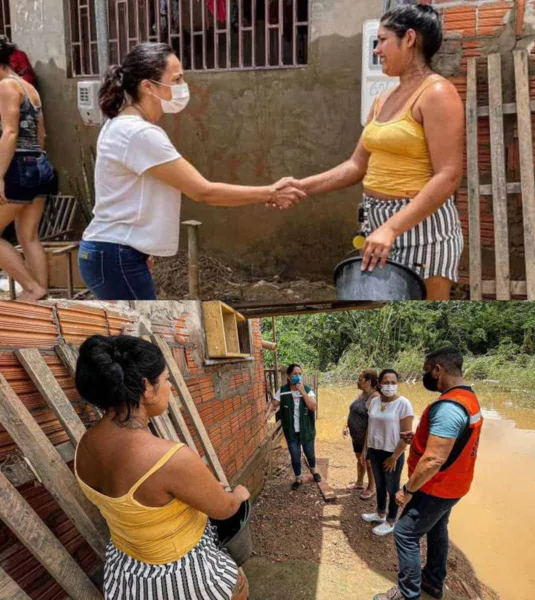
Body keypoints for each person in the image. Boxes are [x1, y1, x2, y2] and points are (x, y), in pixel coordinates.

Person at [78, 42, 304, 300]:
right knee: (142, 335)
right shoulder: (139, 134)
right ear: (148, 86)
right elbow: (203, 191)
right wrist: (269, 193)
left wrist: (143, 248)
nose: (183, 87)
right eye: (176, 79)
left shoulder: (120, 125)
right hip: (116, 255)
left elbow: (130, 196)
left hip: (113, 253)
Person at [291, 4, 464, 300]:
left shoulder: (437, 93)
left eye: (382, 40)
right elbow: (356, 165)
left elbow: (448, 176)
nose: (376, 50)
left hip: (424, 229)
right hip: (377, 224)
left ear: (409, 39)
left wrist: (392, 228)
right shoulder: (383, 99)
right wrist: (300, 187)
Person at [74, 334, 250, 600]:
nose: (171, 387)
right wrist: (239, 494)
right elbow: (225, 509)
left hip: (130, 577)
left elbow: (146, 507)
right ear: (146, 387)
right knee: (239, 586)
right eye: (167, 379)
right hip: (185, 580)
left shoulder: (85, 446)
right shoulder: (169, 459)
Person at [374, 347, 483, 600]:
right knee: (437, 529)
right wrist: (420, 437)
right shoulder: (468, 397)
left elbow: (434, 459)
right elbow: (455, 440)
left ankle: (407, 594)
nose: (426, 377)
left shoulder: (449, 407)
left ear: (438, 369)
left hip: (436, 486)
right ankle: (433, 581)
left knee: (405, 533)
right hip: (456, 484)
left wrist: (407, 489)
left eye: (426, 371)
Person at [0, 37, 55, 301]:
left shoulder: (6, 86)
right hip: (40, 164)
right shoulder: (28, 87)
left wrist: (0, 175)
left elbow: (9, 132)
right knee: (28, 235)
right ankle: (39, 293)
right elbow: (42, 133)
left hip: (19, 167)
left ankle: (31, 288)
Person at [361, 369, 414, 536]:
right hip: (375, 451)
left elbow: (406, 436)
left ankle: (391, 521)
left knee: (392, 487)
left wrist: (394, 457)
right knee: (380, 484)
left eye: (393, 382)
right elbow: (370, 426)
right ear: (379, 384)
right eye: (386, 382)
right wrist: (365, 450)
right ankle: (380, 513)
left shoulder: (404, 404)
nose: (390, 386)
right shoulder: (375, 401)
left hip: (392, 453)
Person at [271, 363, 321, 490]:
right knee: (295, 455)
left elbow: (313, 406)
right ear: (288, 376)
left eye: (300, 374)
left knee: (309, 452)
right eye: (295, 374)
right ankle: (298, 478)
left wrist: (302, 391)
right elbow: (274, 404)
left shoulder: (308, 389)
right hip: (291, 431)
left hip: (306, 430)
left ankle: (314, 471)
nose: (298, 376)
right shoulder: (283, 391)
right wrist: (265, 414)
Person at [343, 369, 379, 500]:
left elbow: (372, 421)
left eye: (360, 379)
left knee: (368, 462)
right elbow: (353, 410)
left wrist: (366, 444)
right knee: (360, 459)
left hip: (366, 438)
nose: (357, 382)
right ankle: (359, 483)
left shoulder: (374, 396)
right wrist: (346, 425)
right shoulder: (361, 394)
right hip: (356, 436)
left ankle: (371, 487)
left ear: (369, 382)